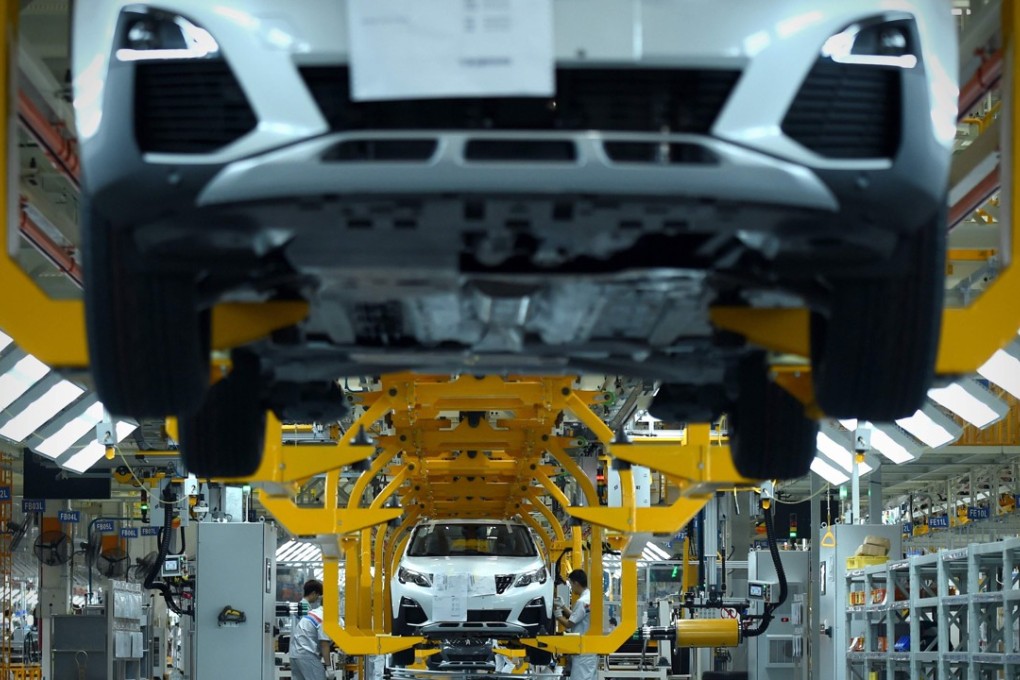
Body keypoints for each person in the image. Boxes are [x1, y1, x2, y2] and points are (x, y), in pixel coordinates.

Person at [555, 569, 597, 680]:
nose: (571, 588)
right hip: (589, 650)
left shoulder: (582, 601)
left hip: (582, 651)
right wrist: (563, 606)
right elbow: (577, 617)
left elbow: (569, 624)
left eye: (571, 584)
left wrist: (558, 615)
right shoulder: (589, 598)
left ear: (576, 583)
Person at [290, 579, 332, 680]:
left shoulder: (301, 605)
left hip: (295, 650)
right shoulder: (304, 607)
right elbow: (305, 632)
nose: (317, 599)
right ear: (313, 593)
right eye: (318, 595)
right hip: (304, 648)